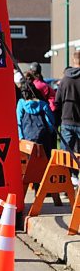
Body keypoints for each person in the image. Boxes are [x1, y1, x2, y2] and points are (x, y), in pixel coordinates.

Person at [55, 50, 80, 187]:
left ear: (73, 60)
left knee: (66, 153)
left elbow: (57, 102)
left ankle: (67, 180)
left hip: (67, 119)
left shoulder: (64, 80)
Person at [16, 76, 55, 157]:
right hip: (43, 136)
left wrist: (21, 137)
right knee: (44, 161)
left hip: (27, 138)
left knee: (30, 163)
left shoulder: (21, 104)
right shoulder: (43, 104)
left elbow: (18, 121)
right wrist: (50, 131)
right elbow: (50, 121)